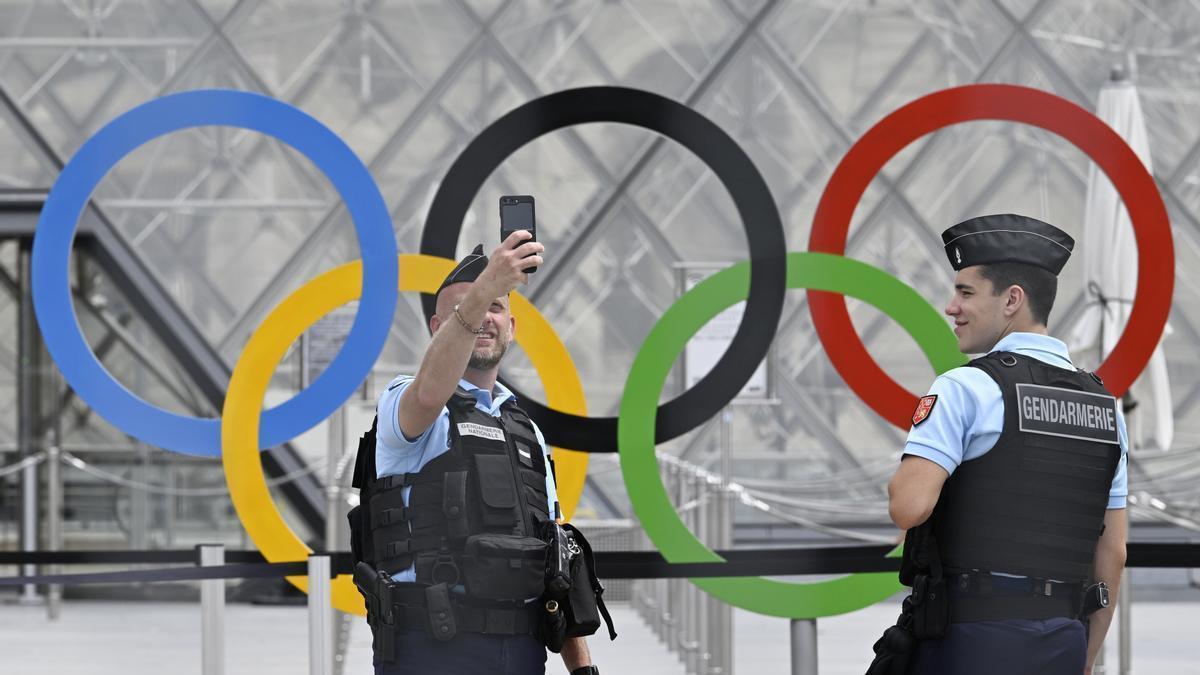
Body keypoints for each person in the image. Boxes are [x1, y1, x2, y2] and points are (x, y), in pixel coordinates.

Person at [887, 214, 1127, 675]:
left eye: (966, 292)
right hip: (1062, 638)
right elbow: (1112, 554)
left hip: (971, 638)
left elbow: (908, 507)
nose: (951, 307)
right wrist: (1085, 657)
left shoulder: (965, 388)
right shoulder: (1105, 407)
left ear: (1012, 299)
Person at [360, 231, 598, 675]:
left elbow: (557, 558)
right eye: (462, 310)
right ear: (438, 328)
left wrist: (583, 669)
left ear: (512, 326)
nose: (484, 317)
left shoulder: (526, 430)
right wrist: (489, 284)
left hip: (523, 652)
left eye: (495, 307)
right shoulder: (406, 403)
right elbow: (430, 394)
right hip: (431, 650)